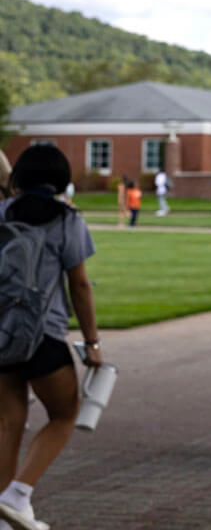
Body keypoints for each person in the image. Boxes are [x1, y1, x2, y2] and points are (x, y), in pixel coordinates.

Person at [0, 145, 103, 530]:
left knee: (9, 423)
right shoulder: (67, 221)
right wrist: (92, 343)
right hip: (44, 336)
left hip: (2, 336)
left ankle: (5, 517)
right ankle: (18, 494)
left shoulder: (2, 214)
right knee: (64, 414)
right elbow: (79, 284)